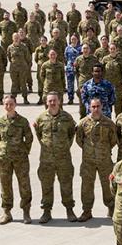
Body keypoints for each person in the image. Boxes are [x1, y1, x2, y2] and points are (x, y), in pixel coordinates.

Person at [33, 92, 78, 223]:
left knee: (66, 184)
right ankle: (46, 211)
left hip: (64, 158)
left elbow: (72, 134)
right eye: (50, 101)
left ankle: (69, 210)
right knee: (46, 185)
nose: (52, 103)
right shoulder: (40, 118)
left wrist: (64, 147)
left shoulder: (67, 117)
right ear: (46, 102)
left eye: (55, 101)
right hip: (46, 160)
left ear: (59, 101)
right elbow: (38, 134)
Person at [75, 98, 118, 222]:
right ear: (89, 107)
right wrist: (89, 150)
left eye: (98, 106)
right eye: (93, 106)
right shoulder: (83, 123)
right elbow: (79, 140)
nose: (96, 109)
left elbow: (113, 140)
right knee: (87, 186)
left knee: (108, 185)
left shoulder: (109, 123)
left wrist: (102, 150)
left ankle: (111, 207)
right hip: (88, 161)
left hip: (105, 160)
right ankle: (87, 211)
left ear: (102, 107)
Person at [0, 95, 33, 225]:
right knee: (5, 185)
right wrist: (1, 151)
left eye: (11, 104)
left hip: (20, 158)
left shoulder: (22, 121)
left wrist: (24, 151)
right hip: (4, 159)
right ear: (3, 106)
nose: (9, 106)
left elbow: (29, 139)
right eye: (6, 104)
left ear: (15, 105)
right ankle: (6, 212)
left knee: (24, 184)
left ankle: (26, 211)